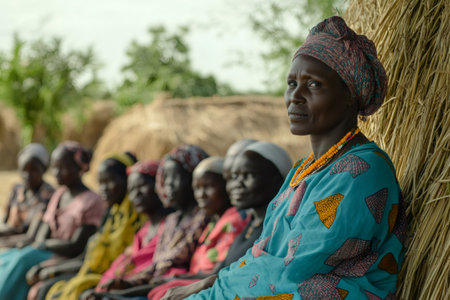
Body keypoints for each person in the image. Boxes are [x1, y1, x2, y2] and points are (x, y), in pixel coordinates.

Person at [177, 16, 407, 299]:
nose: (295, 96)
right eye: (291, 83)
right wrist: (213, 281)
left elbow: (296, 269)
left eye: (313, 85)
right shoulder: (303, 169)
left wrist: (214, 287)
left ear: (350, 95)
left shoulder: (363, 170)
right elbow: (263, 251)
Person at [156, 142, 292, 300]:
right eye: (233, 177)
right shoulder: (250, 225)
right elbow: (220, 274)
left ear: (277, 180)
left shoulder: (278, 229)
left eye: (247, 176)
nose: (236, 184)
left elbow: (252, 281)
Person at [94, 145, 211, 298]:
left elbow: (171, 267)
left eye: (174, 177)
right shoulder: (172, 221)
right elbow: (156, 267)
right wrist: (126, 284)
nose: (167, 184)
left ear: (193, 177)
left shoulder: (203, 218)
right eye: (165, 177)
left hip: (176, 287)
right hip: (157, 285)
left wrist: (126, 289)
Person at [0, 141, 105, 300]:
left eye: (62, 168)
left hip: (64, 256)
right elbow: (43, 232)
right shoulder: (60, 194)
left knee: (22, 260)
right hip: (45, 250)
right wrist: (40, 244)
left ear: (78, 169)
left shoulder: (91, 202)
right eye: (55, 167)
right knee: (7, 258)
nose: (56, 173)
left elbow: (76, 246)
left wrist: (43, 245)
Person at [41, 152, 143, 300]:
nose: (104, 188)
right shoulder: (111, 217)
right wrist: (54, 270)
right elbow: (86, 258)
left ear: (127, 182)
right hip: (94, 273)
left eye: (110, 181)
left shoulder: (138, 219)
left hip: (116, 278)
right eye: (100, 182)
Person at [77, 160, 166, 300]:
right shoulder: (143, 231)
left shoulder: (170, 228)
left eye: (142, 186)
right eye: (131, 190)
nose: (136, 195)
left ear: (159, 185)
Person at [0, 143, 54, 242]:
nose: (27, 175)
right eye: (24, 169)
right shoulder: (16, 189)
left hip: (24, 244)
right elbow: (4, 222)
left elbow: (31, 236)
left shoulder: (49, 195)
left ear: (44, 169)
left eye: (34, 170)